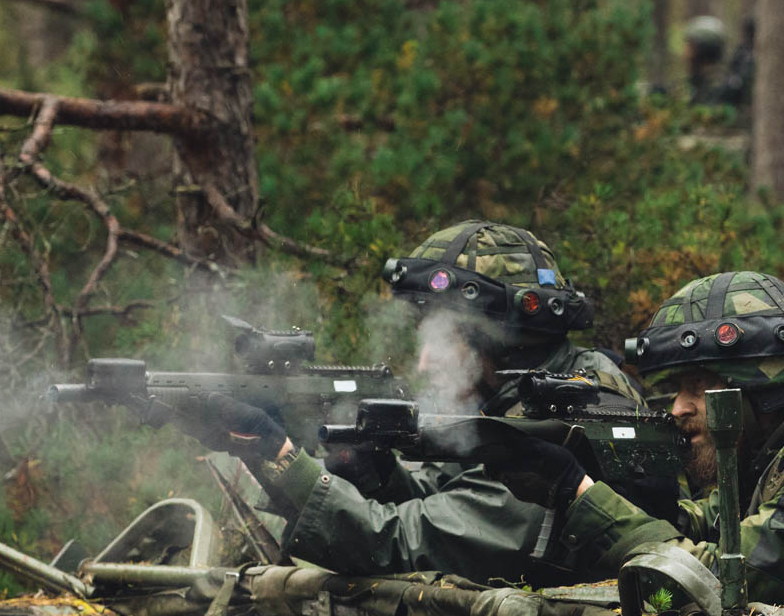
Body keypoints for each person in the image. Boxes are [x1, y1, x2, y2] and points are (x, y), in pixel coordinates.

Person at [177, 221, 641, 582]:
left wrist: (279, 458)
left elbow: (399, 543)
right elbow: (444, 499)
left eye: (444, 337)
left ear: (500, 341)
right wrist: (373, 472)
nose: (422, 364)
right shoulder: (523, 402)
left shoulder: (567, 418)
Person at [482, 271, 784, 604]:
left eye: (699, 388)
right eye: (678, 389)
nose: (679, 408)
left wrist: (580, 493)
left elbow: (720, 579)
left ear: (766, 384)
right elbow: (717, 525)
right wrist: (642, 496)